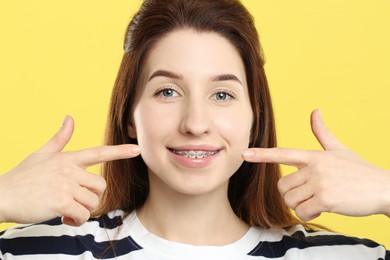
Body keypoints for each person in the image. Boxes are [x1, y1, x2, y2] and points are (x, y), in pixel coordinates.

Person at [0, 0, 389, 259]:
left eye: (222, 94)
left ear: (256, 119)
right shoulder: (40, 250)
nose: (196, 124)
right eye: (167, 91)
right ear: (129, 118)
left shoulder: (342, 256)